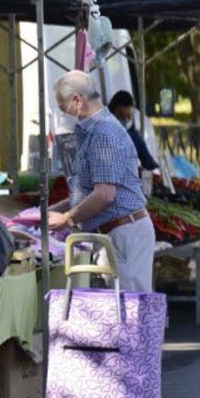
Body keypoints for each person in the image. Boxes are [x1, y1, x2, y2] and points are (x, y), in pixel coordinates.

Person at [48, 71, 156, 292]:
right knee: (120, 309)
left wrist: (67, 219)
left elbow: (105, 194)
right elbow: (87, 192)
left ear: (78, 100)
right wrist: (51, 211)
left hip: (125, 232)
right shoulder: (96, 130)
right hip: (119, 231)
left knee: (126, 309)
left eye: (62, 107)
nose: (63, 113)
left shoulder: (103, 133)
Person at [107, 90, 159, 172]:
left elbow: (148, 161)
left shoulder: (134, 136)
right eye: (121, 117)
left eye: (129, 117)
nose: (125, 121)